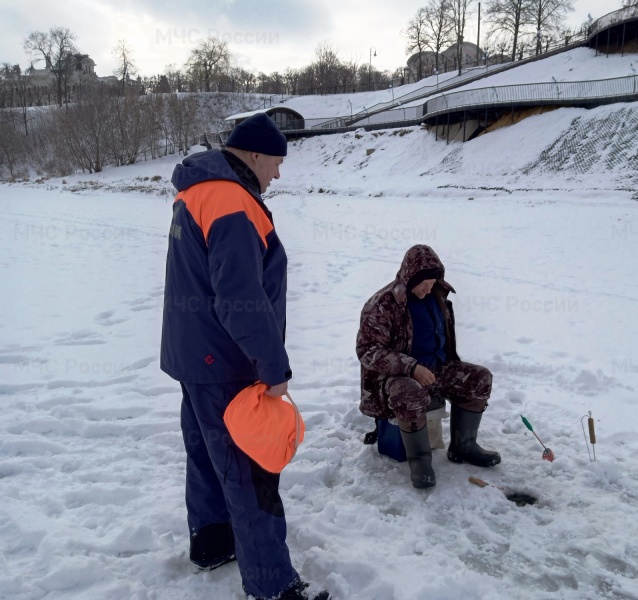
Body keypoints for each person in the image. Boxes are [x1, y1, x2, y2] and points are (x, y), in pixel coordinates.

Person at [160, 113, 329, 600]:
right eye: (276, 162)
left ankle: (213, 542)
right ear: (254, 154)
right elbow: (239, 297)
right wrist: (271, 366)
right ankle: (273, 585)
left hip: (193, 356)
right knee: (250, 471)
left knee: (207, 456)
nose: (277, 174)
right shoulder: (232, 199)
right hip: (225, 361)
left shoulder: (197, 189)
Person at [356, 244, 501, 489]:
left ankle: (463, 446)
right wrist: (411, 367)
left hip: (438, 369)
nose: (428, 289)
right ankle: (420, 460)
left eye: (432, 283)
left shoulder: (437, 294)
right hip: (394, 378)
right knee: (409, 392)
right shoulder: (384, 304)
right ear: (411, 278)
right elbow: (367, 350)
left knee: (479, 378)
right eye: (423, 285)